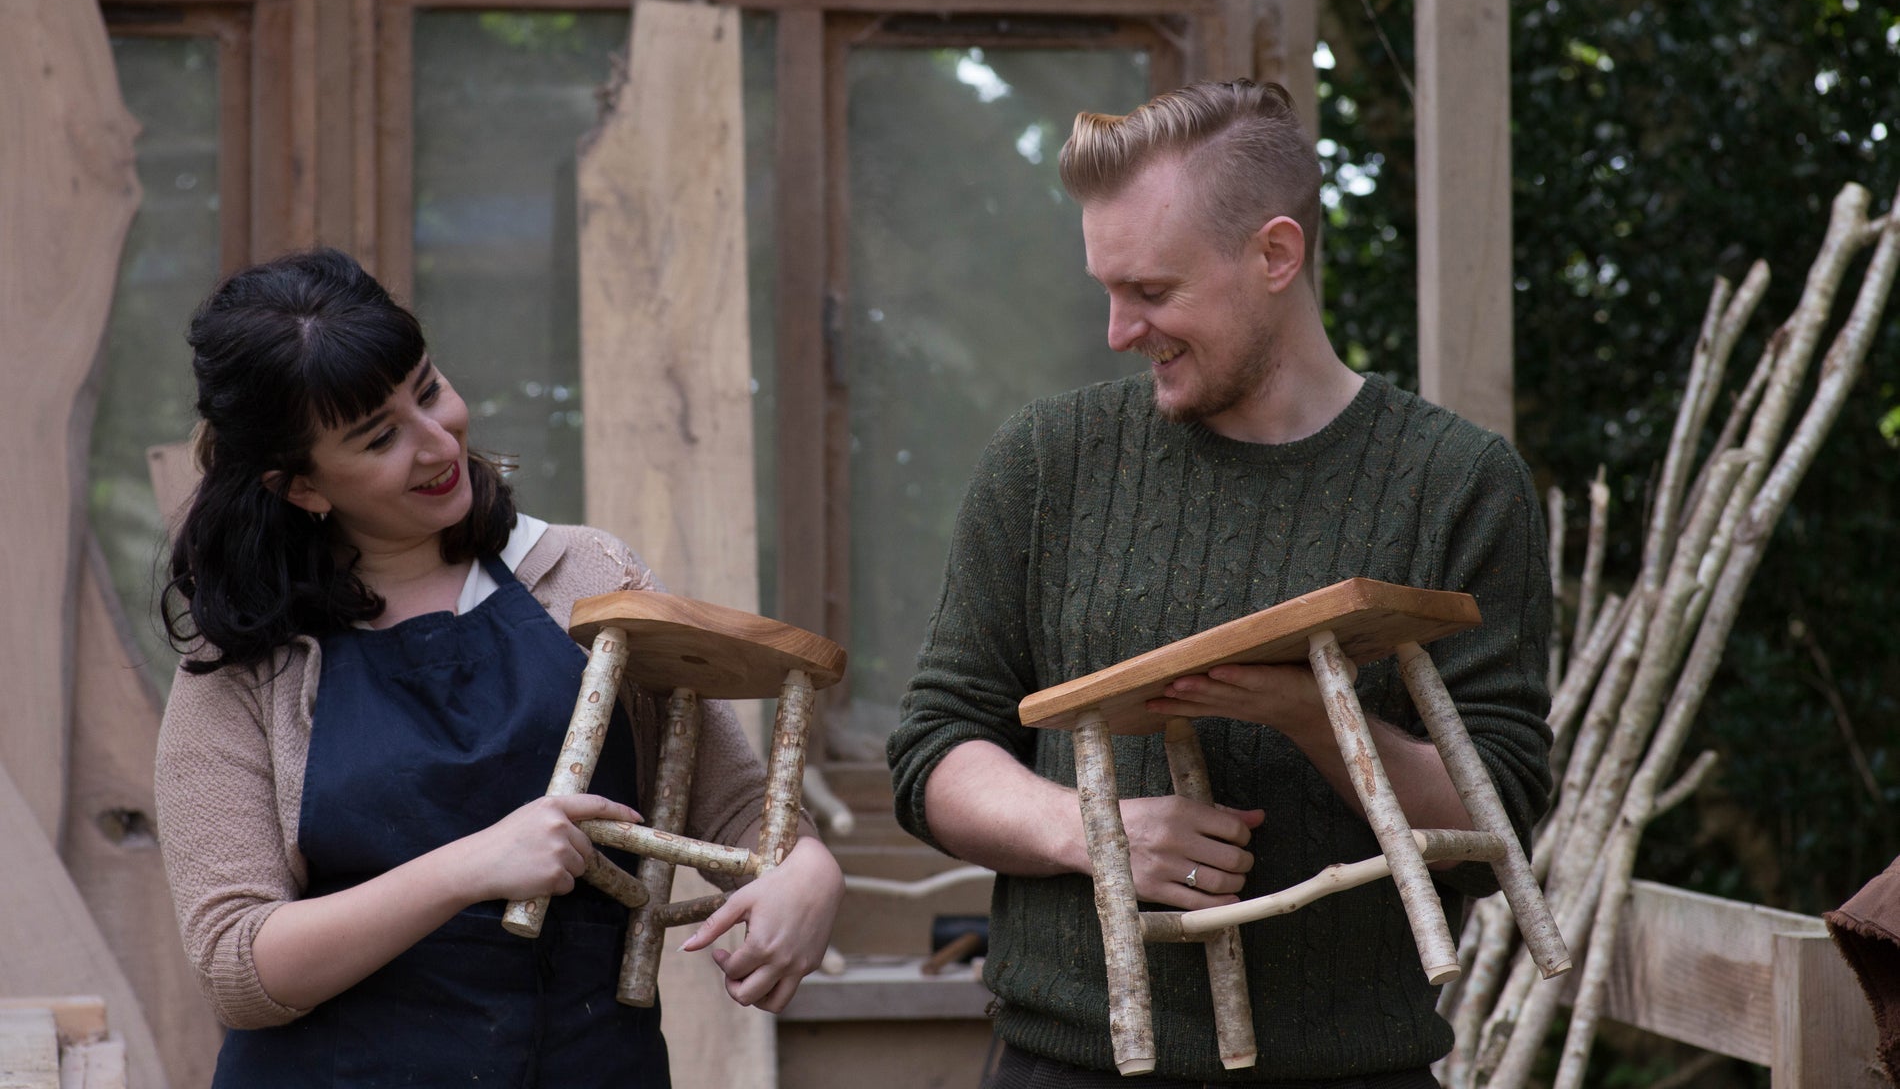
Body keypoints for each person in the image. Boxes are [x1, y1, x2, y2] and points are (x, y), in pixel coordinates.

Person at [887, 80, 1553, 1087]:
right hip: (1065, 1064)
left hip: (1350, 1072)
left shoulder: (1458, 486)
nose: (1118, 330)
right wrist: (1092, 832)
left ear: (1274, 255)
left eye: (1152, 293)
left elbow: (1489, 829)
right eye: (1106, 289)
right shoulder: (1045, 462)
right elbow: (934, 751)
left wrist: (1308, 713)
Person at [155, 248, 843, 1087]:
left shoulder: (589, 578)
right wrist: (475, 865)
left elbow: (734, 805)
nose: (439, 440)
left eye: (430, 387)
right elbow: (238, 967)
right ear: (301, 486)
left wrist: (809, 872)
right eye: (380, 436)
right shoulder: (242, 670)